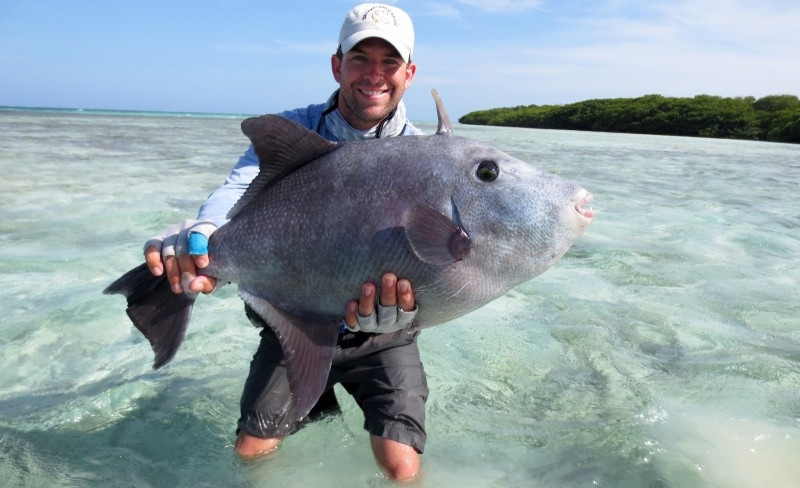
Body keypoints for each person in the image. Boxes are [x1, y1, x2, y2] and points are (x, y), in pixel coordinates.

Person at [143, 3, 426, 481]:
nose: (374, 75)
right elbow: (239, 189)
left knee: (402, 467)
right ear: (337, 65)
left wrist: (415, 309)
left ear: (409, 73)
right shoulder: (294, 130)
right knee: (251, 453)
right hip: (294, 319)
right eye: (360, 58)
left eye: (389, 62)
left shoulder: (430, 156)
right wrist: (205, 235)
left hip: (383, 335)